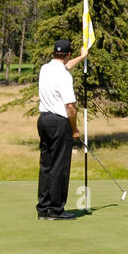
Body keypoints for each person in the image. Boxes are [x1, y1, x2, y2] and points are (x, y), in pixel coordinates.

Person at [36, 38, 88, 220]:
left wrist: (82, 57)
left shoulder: (45, 68)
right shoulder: (64, 75)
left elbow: (65, 65)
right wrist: (74, 129)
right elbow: (71, 107)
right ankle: (56, 210)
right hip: (59, 121)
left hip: (43, 120)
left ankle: (43, 209)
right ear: (67, 54)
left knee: (46, 165)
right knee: (60, 166)